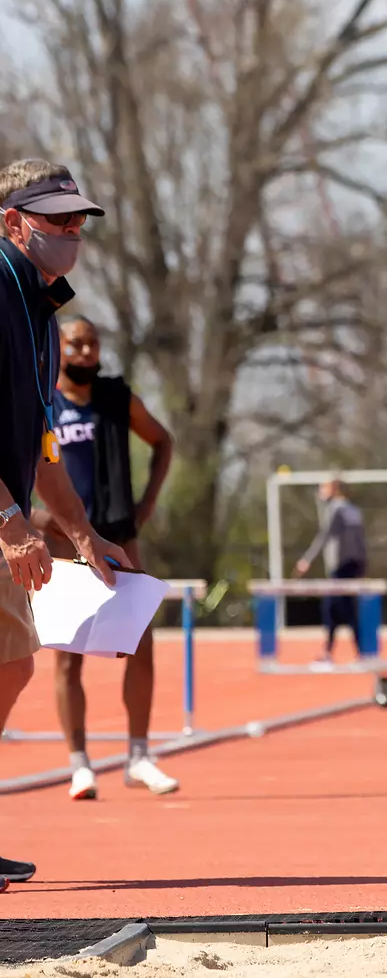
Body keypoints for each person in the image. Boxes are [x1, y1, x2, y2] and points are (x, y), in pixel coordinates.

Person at [0, 159, 130, 883]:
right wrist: (12, 522)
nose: (72, 231)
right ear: (13, 221)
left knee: (13, 664)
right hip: (1, 517)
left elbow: (44, 441)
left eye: (78, 218)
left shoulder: (45, 311)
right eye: (55, 218)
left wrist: (80, 531)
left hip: (12, 514)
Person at [32, 316, 178, 799]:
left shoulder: (116, 398)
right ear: (61, 348)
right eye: (76, 343)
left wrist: (149, 503)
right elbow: (15, 460)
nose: (86, 352)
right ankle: (80, 764)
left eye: (93, 343)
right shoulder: (42, 401)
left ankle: (139, 755)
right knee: (70, 656)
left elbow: (163, 440)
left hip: (118, 537)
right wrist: (32, 516)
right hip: (65, 542)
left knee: (140, 644)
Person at [294, 478, 368, 663]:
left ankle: (335, 652)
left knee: (333, 608)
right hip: (353, 564)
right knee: (345, 608)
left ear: (334, 489)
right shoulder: (354, 510)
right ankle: (356, 651)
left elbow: (324, 535)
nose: (320, 493)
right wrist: (362, 562)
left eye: (323, 488)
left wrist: (307, 559)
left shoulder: (336, 509)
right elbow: (360, 539)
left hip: (341, 565)